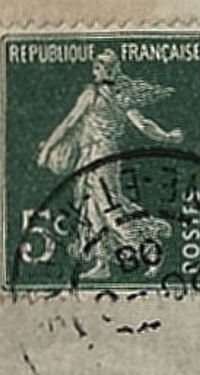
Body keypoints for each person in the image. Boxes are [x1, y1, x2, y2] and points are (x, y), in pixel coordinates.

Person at [35, 49, 185, 279]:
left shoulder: (96, 96)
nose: (97, 71)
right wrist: (166, 137)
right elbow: (143, 124)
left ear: (108, 70)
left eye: (100, 67)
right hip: (95, 154)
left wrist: (46, 150)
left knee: (109, 207)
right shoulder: (116, 96)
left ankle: (150, 249)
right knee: (93, 209)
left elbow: (68, 124)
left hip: (101, 155)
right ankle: (103, 263)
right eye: (97, 67)